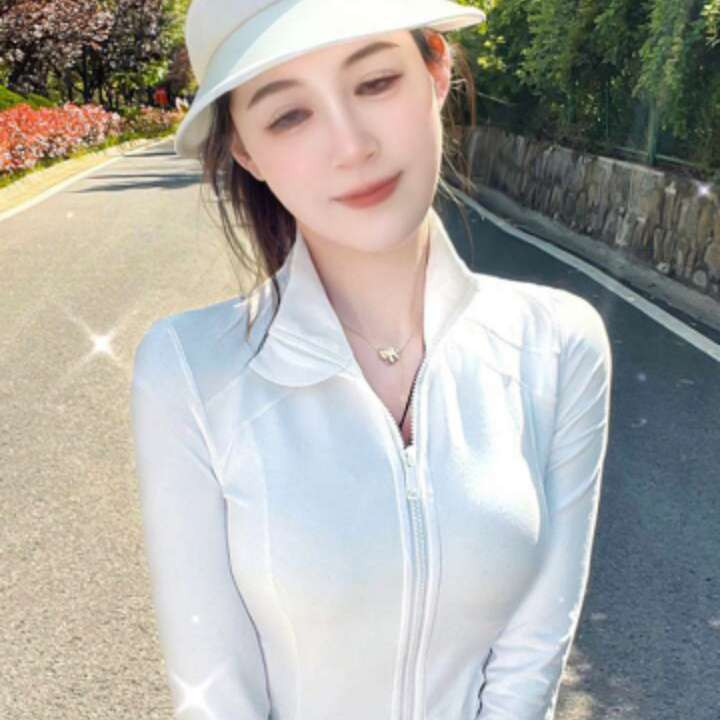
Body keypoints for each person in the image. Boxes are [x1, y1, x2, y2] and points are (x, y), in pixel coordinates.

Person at [130, 1, 614, 719]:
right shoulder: (190, 373)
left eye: (376, 82)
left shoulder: (558, 345)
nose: (351, 145)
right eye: (289, 115)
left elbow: (531, 660)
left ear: (437, 71)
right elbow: (214, 695)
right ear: (246, 152)